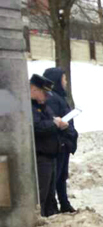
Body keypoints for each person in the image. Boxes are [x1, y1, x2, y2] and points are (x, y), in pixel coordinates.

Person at [30, 74, 67, 217]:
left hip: (51, 156)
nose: (47, 96)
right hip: (41, 157)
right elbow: (37, 127)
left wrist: (58, 123)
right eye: (44, 93)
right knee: (42, 194)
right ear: (33, 90)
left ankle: (50, 217)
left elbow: (50, 120)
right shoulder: (30, 107)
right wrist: (54, 123)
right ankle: (42, 219)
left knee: (50, 194)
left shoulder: (42, 106)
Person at [43, 67, 78, 214]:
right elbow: (53, 120)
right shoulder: (51, 98)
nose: (66, 82)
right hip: (59, 144)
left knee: (62, 176)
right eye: (64, 79)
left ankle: (64, 203)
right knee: (55, 177)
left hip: (64, 143)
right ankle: (51, 207)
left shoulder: (59, 97)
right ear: (56, 80)